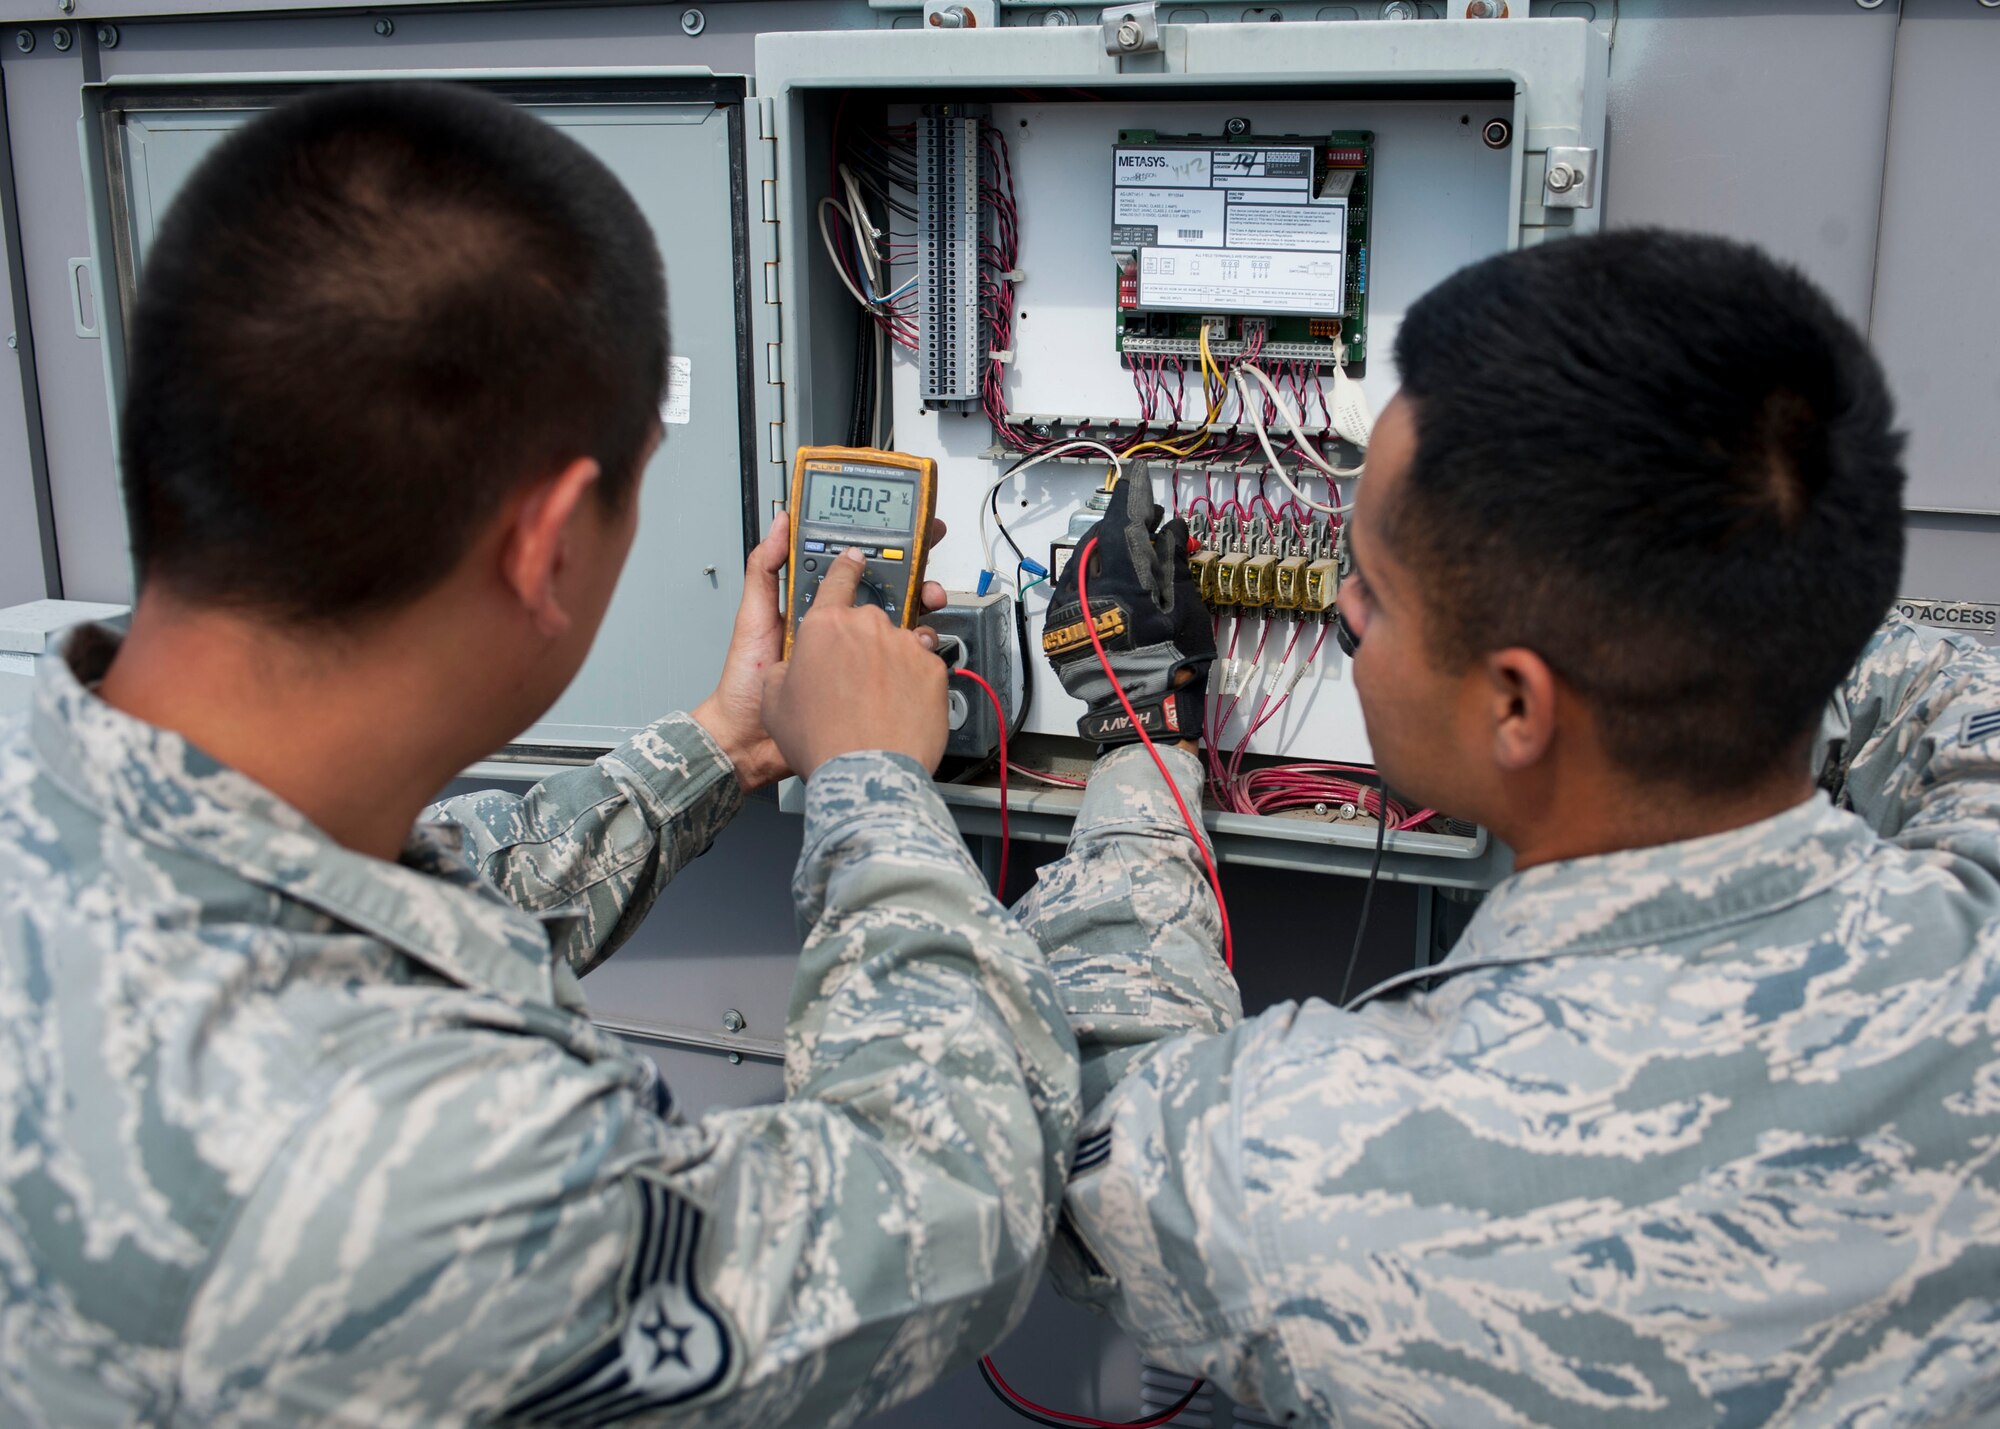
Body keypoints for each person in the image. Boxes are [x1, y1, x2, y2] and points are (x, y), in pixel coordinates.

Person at [0, 82, 1082, 1426]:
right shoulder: (446, 1157)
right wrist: (872, 787)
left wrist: (722, 743)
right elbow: (950, 1210)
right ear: (547, 541)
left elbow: (385, 908)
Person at [1025, 229, 2000, 1425]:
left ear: (1514, 705)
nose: (1336, 604)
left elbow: (1090, 1111)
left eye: (1371, 590)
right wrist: (1746, 609)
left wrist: (1137, 728)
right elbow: (1960, 709)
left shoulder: (1305, 1167)